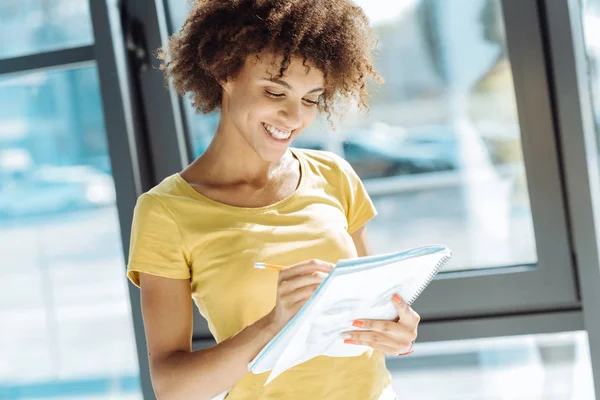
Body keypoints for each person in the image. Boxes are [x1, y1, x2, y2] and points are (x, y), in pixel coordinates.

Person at [126, 0, 420, 398]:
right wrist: (273, 323)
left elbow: (373, 311)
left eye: (311, 99)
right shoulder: (166, 211)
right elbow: (173, 387)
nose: (293, 116)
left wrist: (398, 330)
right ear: (224, 72)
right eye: (274, 91)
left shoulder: (334, 176)